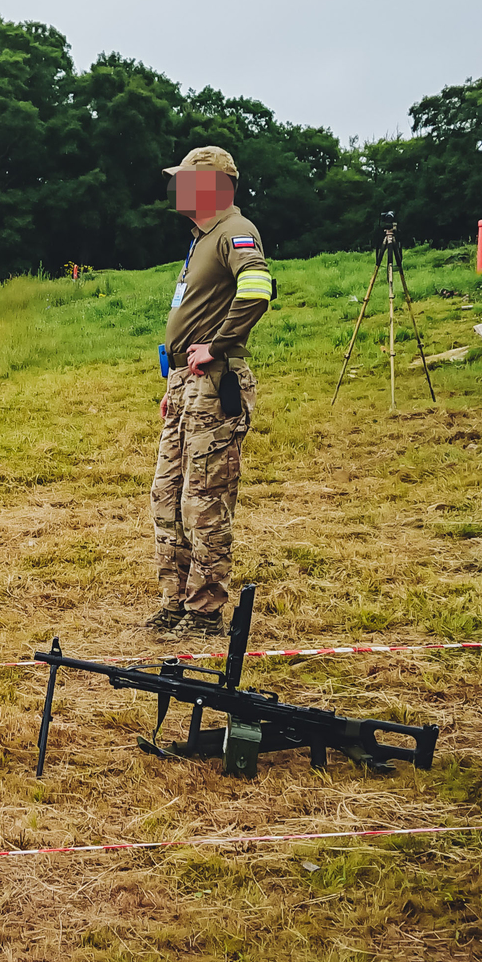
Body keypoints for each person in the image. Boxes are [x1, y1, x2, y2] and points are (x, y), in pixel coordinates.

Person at [146, 146, 274, 637]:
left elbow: (257, 287)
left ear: (214, 185)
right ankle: (174, 604)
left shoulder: (234, 231)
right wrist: (174, 385)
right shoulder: (202, 238)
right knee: (168, 496)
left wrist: (218, 347)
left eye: (186, 180)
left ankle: (204, 614)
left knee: (204, 498)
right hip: (185, 386)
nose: (176, 189)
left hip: (213, 383)